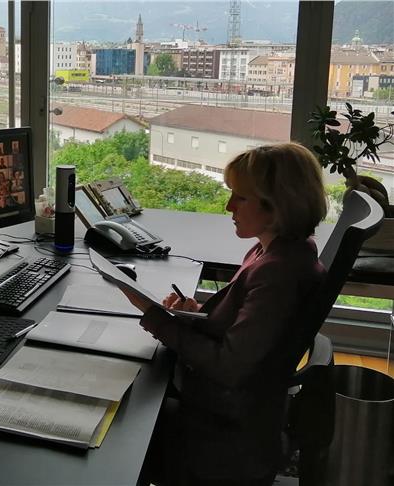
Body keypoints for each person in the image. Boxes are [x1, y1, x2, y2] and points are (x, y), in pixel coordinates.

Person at [124, 143, 328, 486]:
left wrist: (154, 316)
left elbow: (229, 367)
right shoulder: (278, 250)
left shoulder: (278, 272)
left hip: (223, 439)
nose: (229, 206)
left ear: (277, 204)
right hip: (237, 416)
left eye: (241, 198)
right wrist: (200, 313)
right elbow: (250, 328)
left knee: (119, 424)